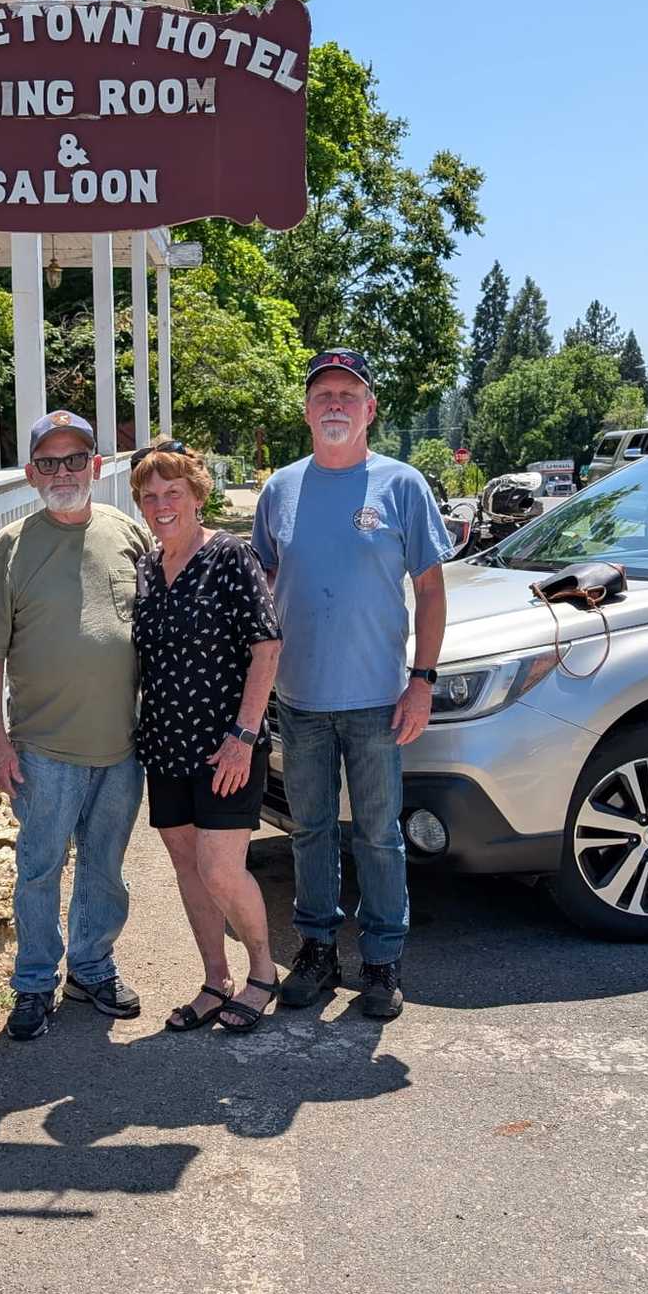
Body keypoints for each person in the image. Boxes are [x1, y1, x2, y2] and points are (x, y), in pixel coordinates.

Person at [252, 349, 452, 1021]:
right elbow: (265, 586)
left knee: (377, 835)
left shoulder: (401, 486)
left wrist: (422, 679)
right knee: (308, 830)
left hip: (377, 701)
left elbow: (429, 591)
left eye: (348, 393)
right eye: (322, 394)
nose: (334, 403)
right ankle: (314, 951)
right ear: (306, 411)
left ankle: (382, 961)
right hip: (299, 699)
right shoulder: (279, 489)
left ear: (370, 410)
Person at [0, 410, 151, 1042]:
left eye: (75, 458)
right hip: (44, 749)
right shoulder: (12, 546)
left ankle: (93, 966)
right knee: (40, 867)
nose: (63, 472)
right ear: (30, 474)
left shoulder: (128, 534)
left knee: (106, 865)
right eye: (48, 462)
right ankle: (33, 983)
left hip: (121, 746)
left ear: (96, 466)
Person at [130, 442, 284, 1033]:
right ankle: (215, 980)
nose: (162, 504)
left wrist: (245, 734)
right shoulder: (147, 567)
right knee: (189, 870)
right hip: (165, 747)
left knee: (221, 870)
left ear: (198, 496)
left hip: (226, 746)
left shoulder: (229, 556)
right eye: (151, 496)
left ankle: (263, 972)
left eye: (174, 493)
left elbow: (265, 646)